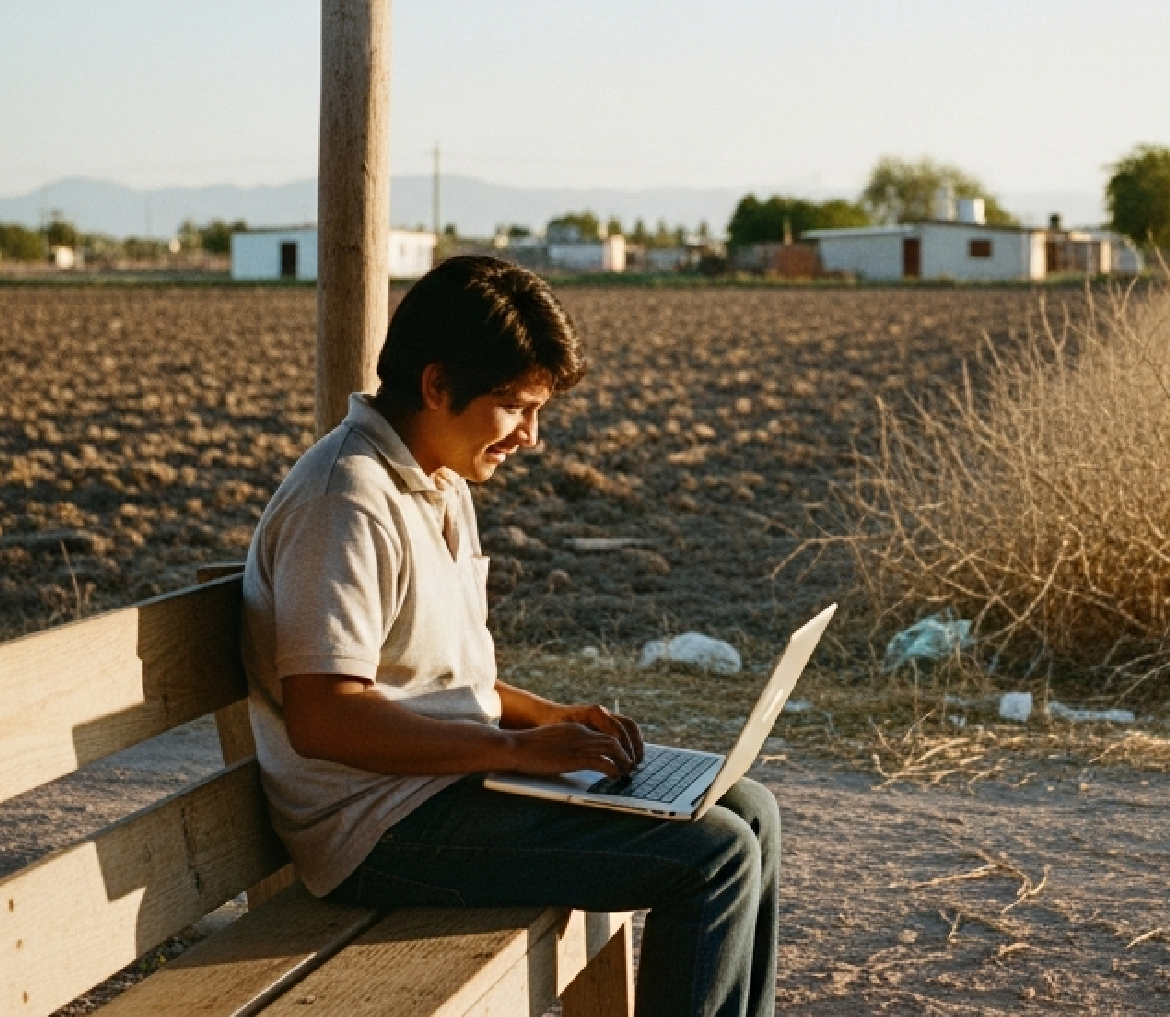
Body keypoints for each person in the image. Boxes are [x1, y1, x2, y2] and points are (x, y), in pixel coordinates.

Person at [239, 255, 781, 1017]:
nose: (532, 436)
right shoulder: (347, 501)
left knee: (749, 807)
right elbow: (325, 715)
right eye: (516, 407)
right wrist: (517, 752)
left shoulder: (439, 478)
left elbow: (434, 680)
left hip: (450, 785)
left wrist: (550, 718)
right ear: (436, 385)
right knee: (714, 856)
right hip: (378, 829)